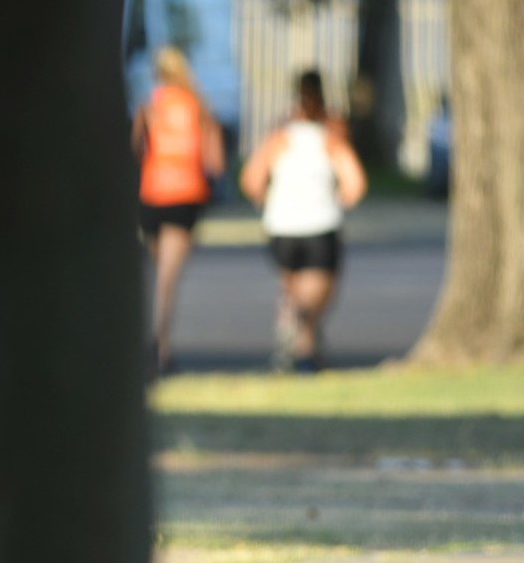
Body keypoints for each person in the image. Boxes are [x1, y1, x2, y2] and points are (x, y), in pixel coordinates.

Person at [239, 69, 367, 373]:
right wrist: (335, 201)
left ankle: (297, 337)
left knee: (294, 291)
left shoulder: (279, 137)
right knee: (317, 296)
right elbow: (355, 184)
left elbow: (251, 180)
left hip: (282, 227)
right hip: (319, 226)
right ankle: (305, 351)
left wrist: (269, 201)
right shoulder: (332, 137)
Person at [131, 45, 225, 377]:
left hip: (152, 194)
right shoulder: (198, 105)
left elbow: (136, 150)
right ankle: (159, 346)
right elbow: (215, 160)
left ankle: (156, 342)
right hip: (186, 194)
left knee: (159, 275)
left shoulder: (149, 105)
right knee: (167, 279)